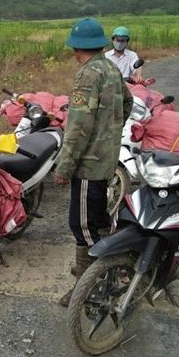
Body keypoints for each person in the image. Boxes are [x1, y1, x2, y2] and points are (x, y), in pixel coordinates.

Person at [54, 18, 133, 306]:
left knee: (83, 225)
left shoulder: (87, 75)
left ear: (77, 47)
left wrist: (64, 167)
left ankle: (93, 283)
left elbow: (78, 126)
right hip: (106, 159)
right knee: (96, 221)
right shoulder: (111, 68)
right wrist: (111, 131)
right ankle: (91, 280)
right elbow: (128, 103)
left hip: (89, 163)